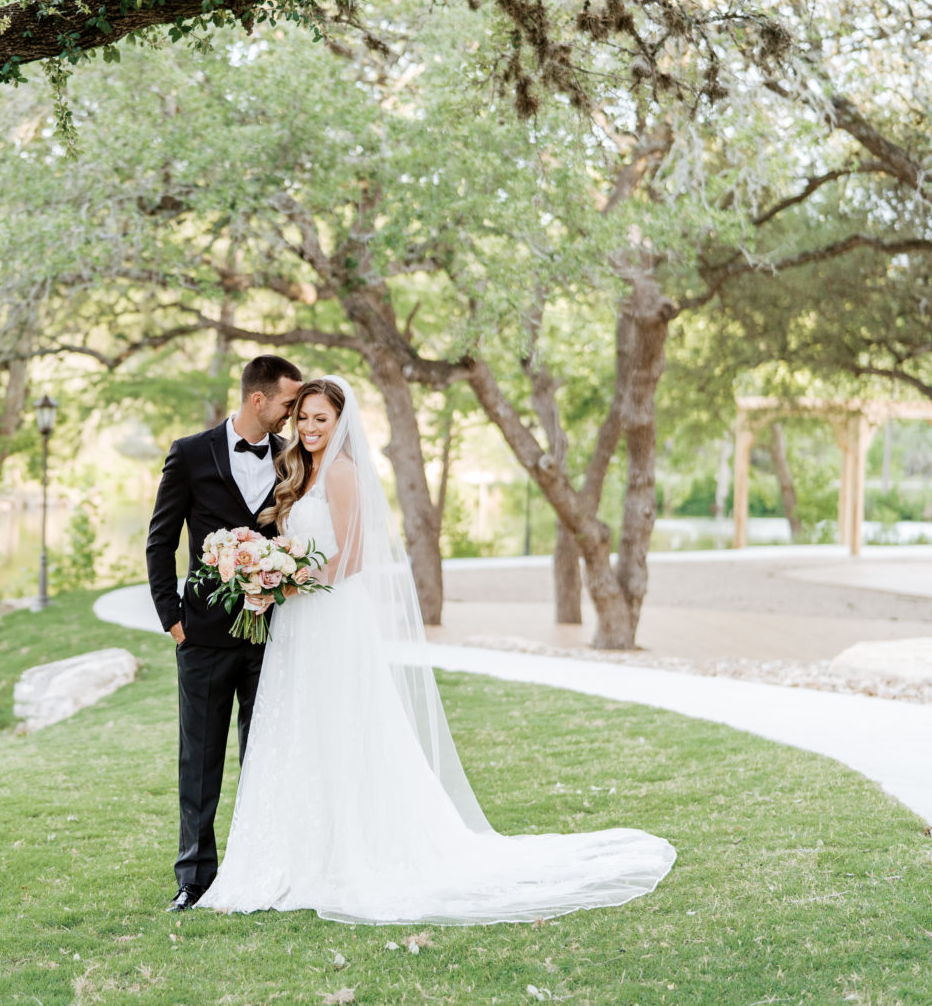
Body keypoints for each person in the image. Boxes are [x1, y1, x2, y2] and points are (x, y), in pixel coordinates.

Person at [197, 376, 677, 924]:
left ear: (340, 422)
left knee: (341, 724)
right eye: (302, 417)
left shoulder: (346, 473)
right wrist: (269, 570)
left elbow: (351, 558)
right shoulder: (300, 472)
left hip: (330, 616)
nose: (307, 428)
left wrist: (285, 580)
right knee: (300, 725)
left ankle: (347, 851)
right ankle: (294, 850)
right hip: (300, 621)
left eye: (319, 419)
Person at [145, 354, 304, 913]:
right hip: (205, 635)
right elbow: (160, 541)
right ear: (257, 399)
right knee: (201, 758)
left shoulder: (293, 459)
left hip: (272, 636)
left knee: (265, 755)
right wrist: (173, 619)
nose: (293, 414)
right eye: (288, 403)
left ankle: (264, 868)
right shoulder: (190, 453)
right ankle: (194, 878)